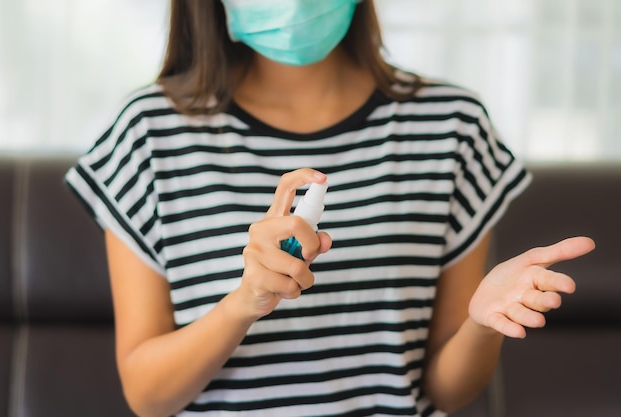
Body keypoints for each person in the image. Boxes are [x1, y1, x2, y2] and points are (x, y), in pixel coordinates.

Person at [65, 1, 595, 416]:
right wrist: (246, 301)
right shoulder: (148, 134)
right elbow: (147, 397)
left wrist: (482, 323)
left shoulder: (451, 125)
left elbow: (444, 391)